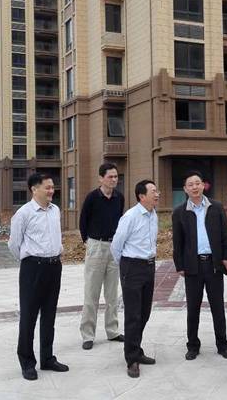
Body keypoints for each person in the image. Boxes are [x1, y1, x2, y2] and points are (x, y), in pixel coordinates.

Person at [8, 172, 69, 381]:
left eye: (53, 187)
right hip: (33, 268)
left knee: (49, 315)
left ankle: (47, 358)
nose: (52, 190)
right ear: (34, 189)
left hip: (54, 267)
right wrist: (30, 261)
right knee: (29, 317)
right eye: (48, 187)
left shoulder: (55, 210)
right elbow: (14, 244)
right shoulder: (24, 213)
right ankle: (27, 362)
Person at [172, 171, 227, 361]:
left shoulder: (216, 207)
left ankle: (223, 345)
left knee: (218, 307)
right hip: (193, 266)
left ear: (203, 185)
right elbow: (178, 242)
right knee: (193, 308)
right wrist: (179, 265)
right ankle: (193, 346)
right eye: (190, 184)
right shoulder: (179, 212)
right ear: (185, 189)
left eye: (197, 183)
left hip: (214, 265)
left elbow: (225, 235)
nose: (195, 187)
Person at [110, 180, 159, 378]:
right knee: (133, 315)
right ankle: (131, 359)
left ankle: (136, 349)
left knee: (144, 312)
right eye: (153, 191)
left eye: (157, 191)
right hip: (132, 267)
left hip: (149, 266)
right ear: (142, 196)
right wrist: (126, 266)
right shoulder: (130, 216)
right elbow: (116, 245)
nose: (157, 194)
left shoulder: (153, 215)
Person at [79, 162, 125, 350]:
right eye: (110, 176)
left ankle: (112, 331)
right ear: (101, 178)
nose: (114, 179)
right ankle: (87, 335)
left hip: (113, 247)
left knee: (112, 293)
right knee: (92, 293)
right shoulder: (92, 198)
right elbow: (83, 221)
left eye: (116, 176)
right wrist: (88, 242)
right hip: (96, 246)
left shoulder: (119, 198)